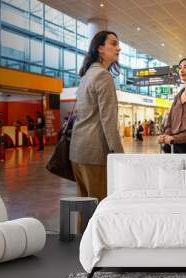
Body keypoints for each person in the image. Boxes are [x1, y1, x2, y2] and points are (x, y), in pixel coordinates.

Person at [69, 30, 124, 209]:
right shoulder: (103, 76)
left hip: (78, 151)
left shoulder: (87, 75)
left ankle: (83, 237)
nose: (119, 48)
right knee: (99, 206)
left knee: (84, 206)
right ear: (100, 48)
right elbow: (108, 121)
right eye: (113, 43)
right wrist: (120, 156)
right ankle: (94, 238)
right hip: (95, 152)